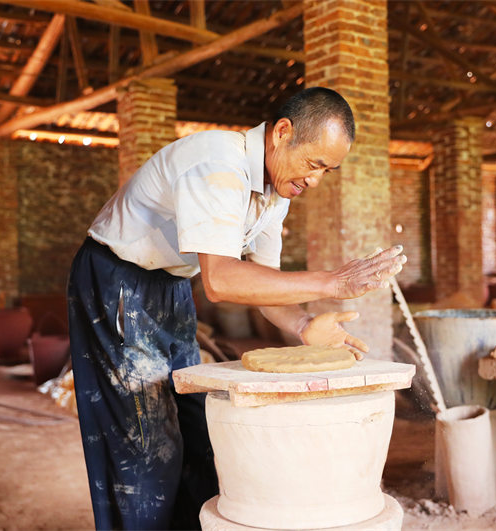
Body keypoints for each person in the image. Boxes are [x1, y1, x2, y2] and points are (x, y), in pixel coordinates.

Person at [66, 86, 406, 530]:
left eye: (328, 170)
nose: (317, 179)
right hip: (116, 281)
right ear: (283, 132)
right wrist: (331, 281)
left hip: (170, 285)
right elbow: (222, 281)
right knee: (145, 443)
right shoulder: (218, 162)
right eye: (314, 163)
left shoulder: (274, 194)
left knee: (197, 425)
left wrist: (304, 325)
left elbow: (262, 283)